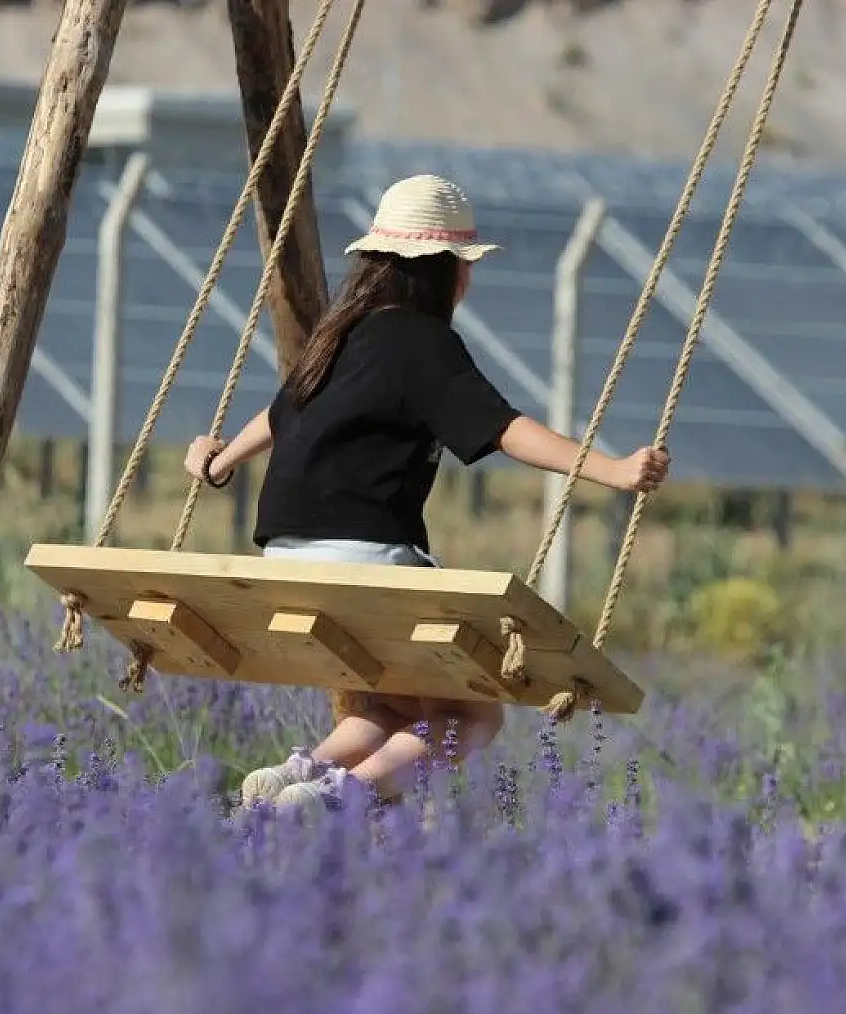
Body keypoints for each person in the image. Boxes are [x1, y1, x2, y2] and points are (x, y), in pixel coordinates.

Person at [182, 173, 669, 815]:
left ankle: (296, 774)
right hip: (366, 563)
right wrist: (614, 470)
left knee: (389, 704)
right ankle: (337, 797)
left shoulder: (336, 337)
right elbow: (505, 429)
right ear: (447, 272)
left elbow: (280, 414)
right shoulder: (423, 343)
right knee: (472, 718)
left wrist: (223, 462)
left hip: (285, 559)